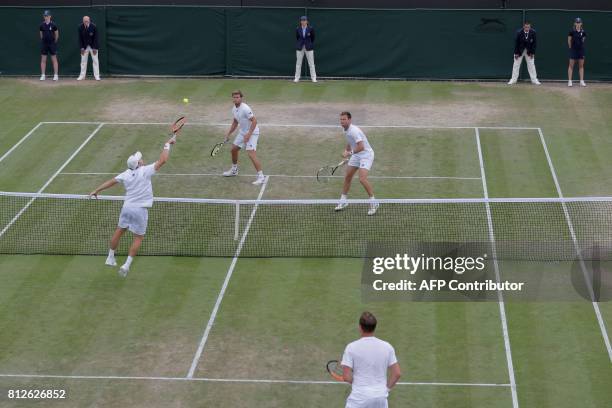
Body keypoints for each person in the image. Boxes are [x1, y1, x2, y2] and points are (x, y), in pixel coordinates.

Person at [89, 135, 178, 277]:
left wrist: (96, 190)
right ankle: (126, 265)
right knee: (138, 238)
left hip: (127, 208)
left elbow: (111, 181)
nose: (142, 159)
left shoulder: (126, 174)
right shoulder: (145, 170)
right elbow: (163, 160)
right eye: (140, 159)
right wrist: (167, 144)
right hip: (140, 210)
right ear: (138, 163)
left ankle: (110, 257)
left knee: (119, 230)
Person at [341, 312, 402, 408]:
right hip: (381, 398)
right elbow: (397, 373)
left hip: (359, 397)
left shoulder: (351, 347)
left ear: (360, 327)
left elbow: (346, 376)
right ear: (375, 327)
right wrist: (386, 389)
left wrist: (357, 382)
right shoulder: (387, 347)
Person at [334, 112, 378, 216]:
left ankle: (374, 202)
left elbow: (361, 147)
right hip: (357, 155)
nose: (342, 122)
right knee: (348, 177)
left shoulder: (354, 131)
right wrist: (347, 150)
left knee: (362, 179)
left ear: (349, 120)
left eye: (344, 119)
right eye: (341, 120)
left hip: (366, 155)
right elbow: (350, 141)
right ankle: (343, 201)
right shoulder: (345, 130)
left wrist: (349, 153)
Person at [222, 90, 266, 185]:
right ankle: (234, 170)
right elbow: (235, 122)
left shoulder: (245, 108)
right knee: (233, 149)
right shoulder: (234, 109)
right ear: (232, 99)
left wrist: (249, 134)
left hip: (253, 132)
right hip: (243, 132)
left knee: (251, 154)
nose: (236, 99)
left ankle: (261, 176)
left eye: (238, 97)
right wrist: (228, 134)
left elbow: (254, 121)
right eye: (234, 97)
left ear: (241, 98)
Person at [294, 15, 317, 83]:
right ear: (300, 22)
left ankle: (314, 78)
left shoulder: (311, 28)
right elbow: (297, 37)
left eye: (304, 20)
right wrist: (301, 44)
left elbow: (313, 38)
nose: (303, 22)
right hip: (300, 47)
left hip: (309, 47)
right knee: (298, 63)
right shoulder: (298, 29)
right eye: (302, 20)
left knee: (311, 64)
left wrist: (309, 44)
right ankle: (297, 78)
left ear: (307, 21)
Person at [77, 15, 100, 81]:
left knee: (95, 61)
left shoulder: (94, 26)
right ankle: (82, 76)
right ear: (83, 21)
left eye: (87, 21)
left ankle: (97, 76)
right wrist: (81, 47)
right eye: (84, 21)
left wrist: (95, 48)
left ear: (89, 20)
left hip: (93, 46)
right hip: (84, 47)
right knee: (83, 61)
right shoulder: (80, 27)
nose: (86, 22)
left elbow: (96, 38)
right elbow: (80, 38)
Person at [39, 10, 59, 81]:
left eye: (47, 16)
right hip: (44, 44)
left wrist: (53, 42)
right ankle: (43, 75)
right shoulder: (41, 25)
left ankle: (56, 75)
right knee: (43, 60)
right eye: (45, 16)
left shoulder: (54, 25)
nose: (46, 17)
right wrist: (44, 40)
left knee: (54, 59)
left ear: (50, 16)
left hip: (52, 44)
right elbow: (41, 35)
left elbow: (57, 35)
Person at [568, 17, 587, 87]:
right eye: (577, 22)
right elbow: (569, 41)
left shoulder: (583, 32)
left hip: (581, 51)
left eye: (579, 23)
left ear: (581, 24)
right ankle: (570, 81)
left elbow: (583, 41)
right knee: (571, 66)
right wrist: (571, 48)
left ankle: (581, 81)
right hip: (573, 50)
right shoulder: (571, 32)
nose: (578, 24)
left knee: (581, 66)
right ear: (575, 23)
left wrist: (580, 47)